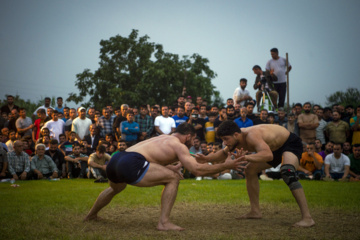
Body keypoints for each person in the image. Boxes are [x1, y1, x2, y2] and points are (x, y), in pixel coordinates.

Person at [84, 122, 244, 230]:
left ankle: (91, 215)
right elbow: (197, 170)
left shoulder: (162, 138)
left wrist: (171, 167)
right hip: (132, 162)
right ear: (188, 136)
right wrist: (227, 166)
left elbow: (151, 158)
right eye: (194, 139)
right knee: (173, 178)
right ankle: (164, 222)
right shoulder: (179, 145)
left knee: (115, 188)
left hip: (117, 159)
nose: (193, 142)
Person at [195, 120, 315, 227]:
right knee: (250, 170)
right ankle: (255, 211)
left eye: (226, 139)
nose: (225, 143)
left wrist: (244, 157)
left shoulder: (251, 136)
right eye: (223, 140)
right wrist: (206, 159)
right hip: (272, 149)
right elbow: (223, 153)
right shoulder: (236, 139)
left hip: (289, 143)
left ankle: (307, 218)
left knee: (287, 172)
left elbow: (268, 155)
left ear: (236, 135)